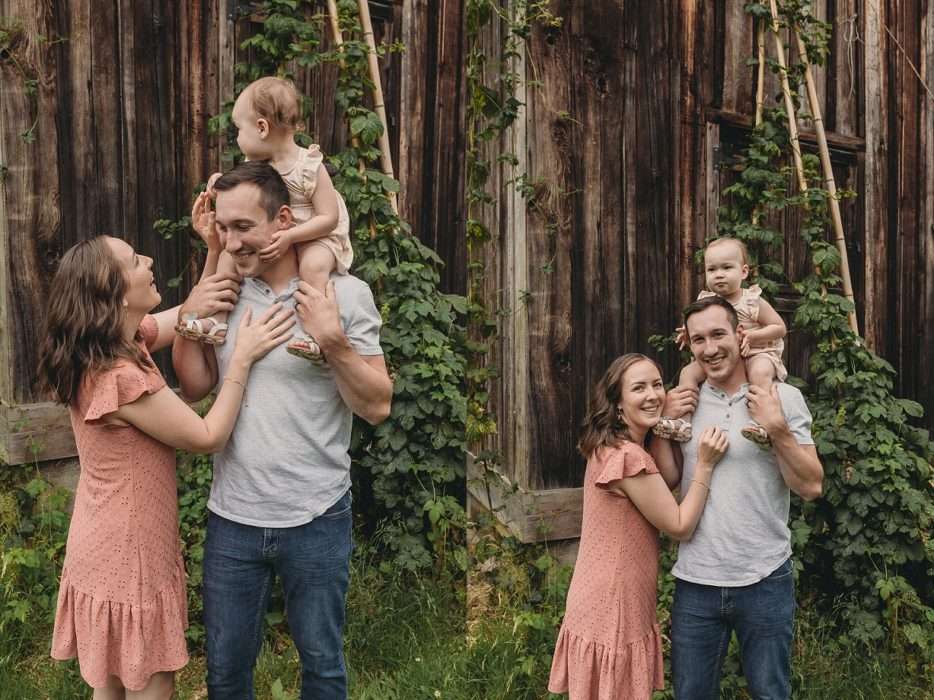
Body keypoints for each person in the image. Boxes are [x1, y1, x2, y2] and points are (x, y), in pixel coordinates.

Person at [171, 160, 393, 699]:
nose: (232, 242)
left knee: (322, 666)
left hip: (316, 515)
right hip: (233, 517)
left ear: (284, 221)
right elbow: (196, 385)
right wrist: (191, 313)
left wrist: (333, 342)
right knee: (225, 672)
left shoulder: (344, 296)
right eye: (224, 228)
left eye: (244, 227)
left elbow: (378, 406)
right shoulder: (225, 290)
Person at [38, 236, 294, 700]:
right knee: (152, 685)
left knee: (110, 683)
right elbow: (207, 436)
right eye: (135, 261)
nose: (150, 260)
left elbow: (187, 315)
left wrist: (214, 250)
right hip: (131, 554)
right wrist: (242, 359)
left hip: (101, 545)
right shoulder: (122, 378)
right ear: (116, 294)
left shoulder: (108, 346)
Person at [664, 295, 823, 699]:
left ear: (740, 335)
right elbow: (668, 478)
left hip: (765, 576)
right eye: (699, 340)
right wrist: (663, 421)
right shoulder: (683, 401)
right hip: (696, 580)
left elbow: (811, 486)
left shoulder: (782, 398)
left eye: (718, 334)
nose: (710, 348)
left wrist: (778, 430)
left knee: (770, 693)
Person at [548, 353, 728, 700]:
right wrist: (705, 465)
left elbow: (665, 481)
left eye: (657, 384)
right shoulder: (628, 458)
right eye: (639, 388)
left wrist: (683, 382)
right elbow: (679, 525)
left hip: (600, 595)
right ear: (617, 403)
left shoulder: (613, 445)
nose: (653, 395)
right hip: (614, 602)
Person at [178, 76, 353, 365]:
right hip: (280, 233)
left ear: (261, 128)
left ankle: (316, 334)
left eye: (239, 129)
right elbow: (241, 191)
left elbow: (329, 218)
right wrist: (218, 182)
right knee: (227, 259)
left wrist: (291, 236)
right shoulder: (257, 164)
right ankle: (217, 320)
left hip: (315, 234)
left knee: (312, 267)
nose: (237, 138)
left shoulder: (308, 166)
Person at [655, 237, 787, 447]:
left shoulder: (751, 300)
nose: (719, 274)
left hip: (756, 352)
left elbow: (779, 327)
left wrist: (752, 336)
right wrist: (687, 334)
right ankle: (683, 421)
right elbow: (698, 327)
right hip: (721, 356)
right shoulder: (705, 301)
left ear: (743, 272)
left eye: (726, 267)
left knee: (760, 373)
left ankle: (761, 422)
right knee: (687, 373)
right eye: (712, 269)